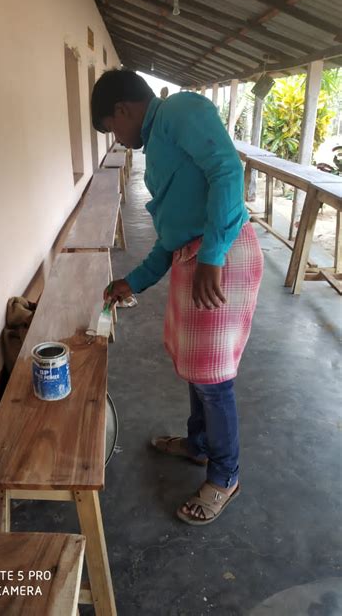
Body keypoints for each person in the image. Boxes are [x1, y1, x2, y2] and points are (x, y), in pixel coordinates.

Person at [91, 69, 263, 525]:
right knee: (196, 366)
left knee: (213, 375)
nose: (119, 138)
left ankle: (226, 476)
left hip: (221, 256)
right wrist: (135, 280)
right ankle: (199, 445)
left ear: (124, 110)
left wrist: (212, 256)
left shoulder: (182, 110)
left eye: (113, 128)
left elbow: (228, 170)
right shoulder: (159, 143)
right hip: (197, 256)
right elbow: (169, 237)